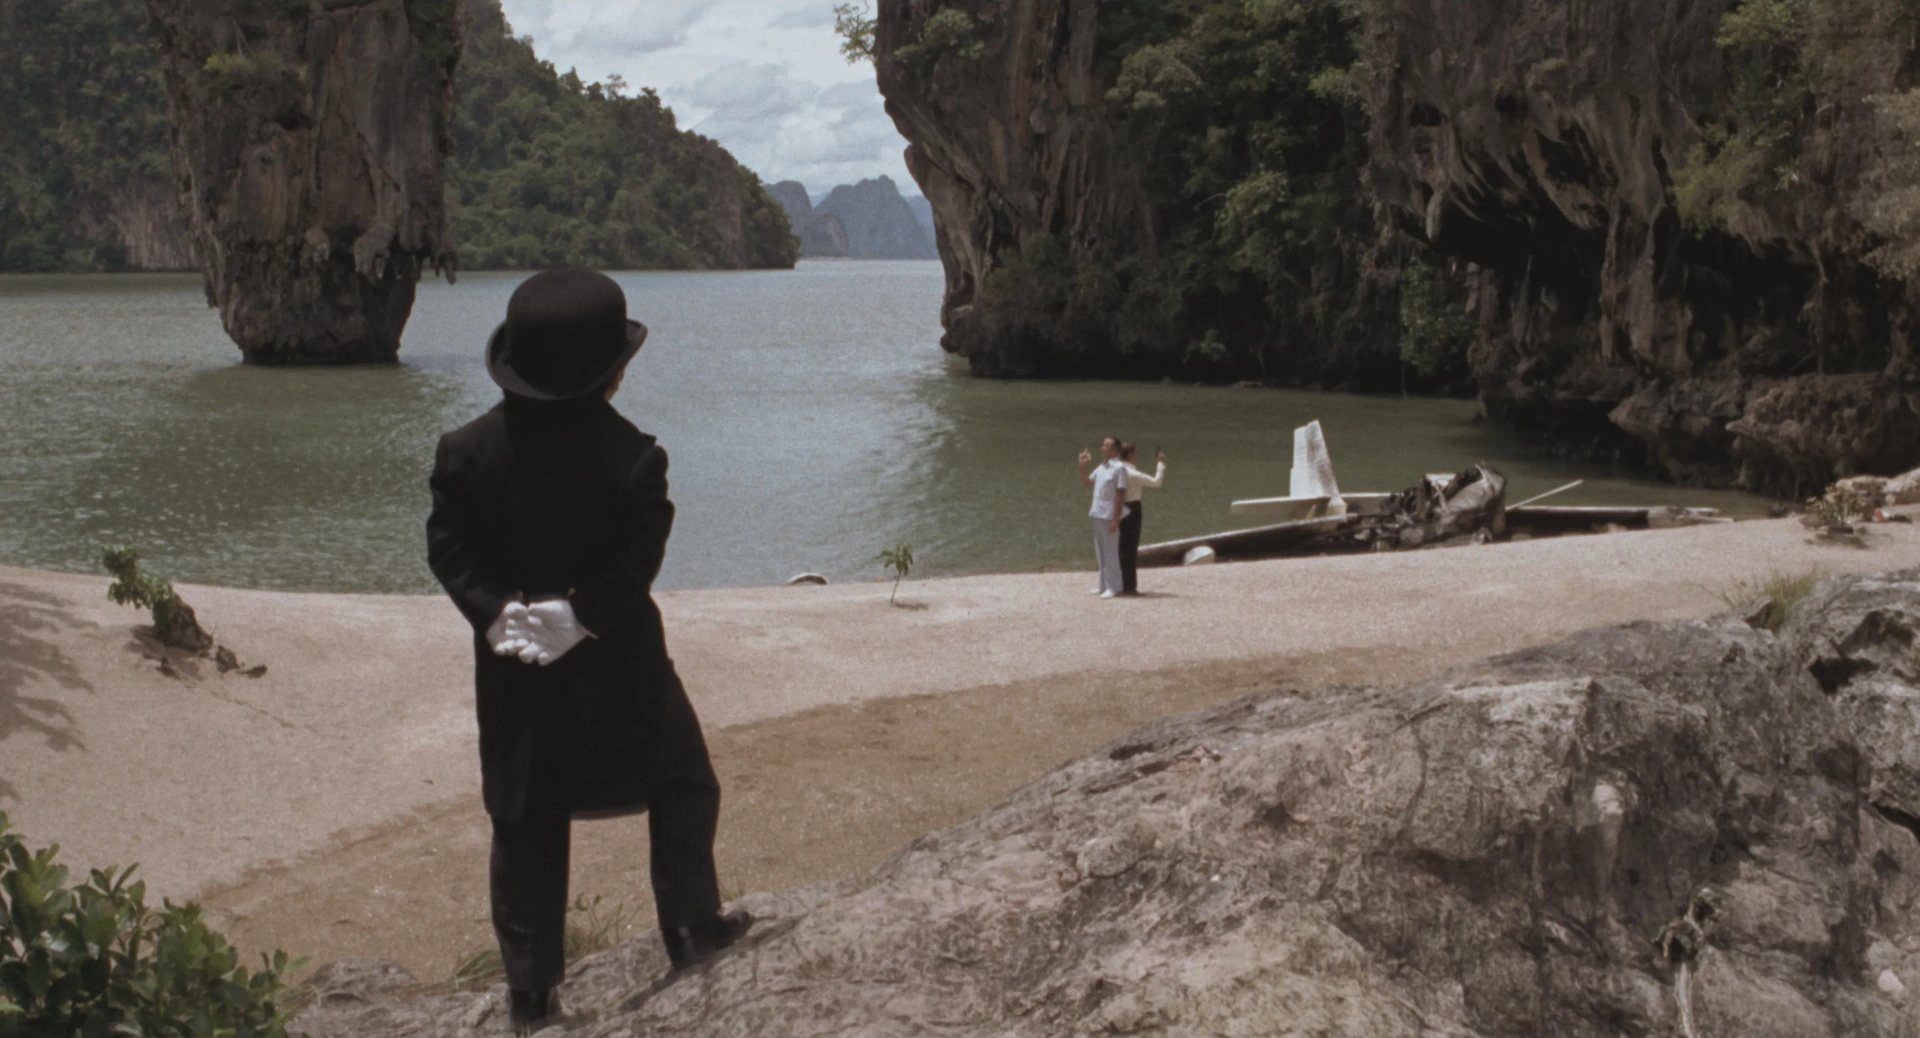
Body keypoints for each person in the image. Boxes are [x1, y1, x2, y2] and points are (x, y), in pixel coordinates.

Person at [426, 268, 750, 1035]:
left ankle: (530, 995)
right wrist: (574, 621)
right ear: (616, 372)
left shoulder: (464, 453)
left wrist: (506, 620)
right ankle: (689, 928)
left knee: (526, 817)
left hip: (514, 665)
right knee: (681, 780)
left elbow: (449, 549)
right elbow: (636, 562)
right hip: (617, 659)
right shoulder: (636, 457)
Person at [1076, 436, 1129, 599]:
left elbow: (1121, 494)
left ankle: (1114, 587)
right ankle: (1103, 585)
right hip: (1097, 512)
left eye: (1107, 446)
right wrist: (1082, 466)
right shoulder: (1101, 466)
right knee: (1100, 551)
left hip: (1109, 514)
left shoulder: (1119, 468)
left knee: (1111, 551)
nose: (1103, 448)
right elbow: (1086, 483)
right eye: (1103, 445)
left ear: (1115, 449)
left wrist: (1115, 518)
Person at [1117, 443, 1166, 595]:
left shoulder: (1117, 469)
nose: (1137, 456)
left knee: (1122, 546)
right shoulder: (1131, 473)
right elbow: (1156, 482)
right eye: (1135, 453)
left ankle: (1121, 583)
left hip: (1120, 507)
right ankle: (1129, 586)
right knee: (1130, 548)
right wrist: (1161, 463)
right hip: (1132, 508)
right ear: (1130, 455)